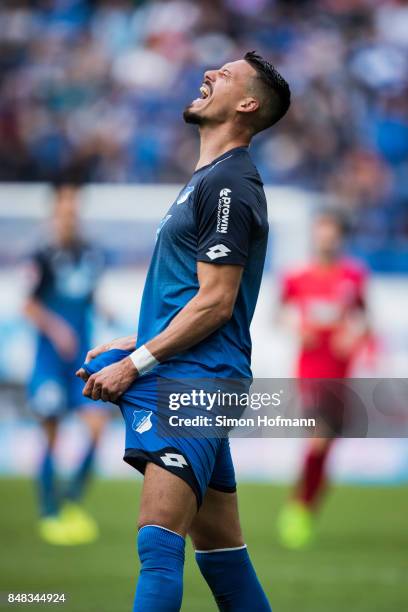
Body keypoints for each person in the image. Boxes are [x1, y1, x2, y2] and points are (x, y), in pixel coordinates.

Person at [76, 51, 290, 611]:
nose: (210, 73)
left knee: (158, 543)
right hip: (193, 373)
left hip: (195, 380)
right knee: (223, 556)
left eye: (226, 74)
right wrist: (136, 339)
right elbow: (198, 296)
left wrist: (135, 363)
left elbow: (217, 303)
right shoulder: (209, 180)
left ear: (247, 104)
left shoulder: (229, 185)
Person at [277, 210, 370, 549]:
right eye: (321, 232)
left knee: (327, 445)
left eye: (331, 232)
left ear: (340, 237)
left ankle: (304, 506)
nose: (326, 238)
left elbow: (365, 320)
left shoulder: (354, 276)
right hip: (311, 369)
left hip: (341, 370)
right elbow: (279, 315)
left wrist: (355, 336)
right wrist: (296, 328)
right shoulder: (297, 277)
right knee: (318, 438)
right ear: (314, 236)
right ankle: (296, 510)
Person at [25, 183, 108, 545]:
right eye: (64, 209)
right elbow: (27, 305)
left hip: (80, 359)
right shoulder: (41, 255)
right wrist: (56, 328)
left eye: (74, 209)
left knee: (96, 425)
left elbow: (87, 294)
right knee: (52, 432)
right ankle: (49, 512)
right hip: (49, 361)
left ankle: (70, 501)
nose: (70, 215)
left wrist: (103, 308)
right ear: (55, 213)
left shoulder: (90, 253)